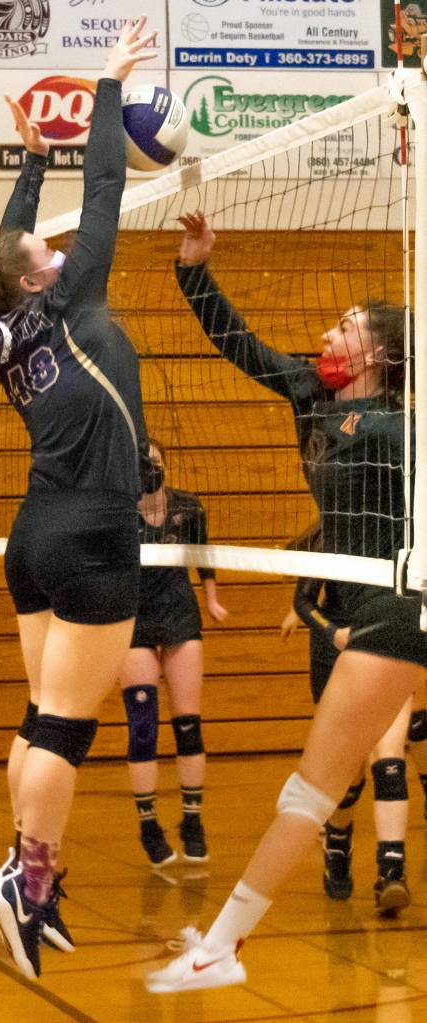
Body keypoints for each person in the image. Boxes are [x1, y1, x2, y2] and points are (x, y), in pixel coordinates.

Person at [145, 211, 426, 993]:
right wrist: (194, 269)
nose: (329, 333)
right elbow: (238, 347)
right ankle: (223, 946)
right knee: (315, 788)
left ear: (381, 351)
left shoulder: (403, 430)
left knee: (311, 785)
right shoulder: (309, 393)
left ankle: (222, 948)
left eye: (345, 326)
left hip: (400, 609)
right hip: (363, 610)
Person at [0, 19, 158, 981]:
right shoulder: (72, 296)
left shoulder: (9, 320)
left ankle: (30, 872)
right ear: (44, 271)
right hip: (92, 533)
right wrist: (108, 86)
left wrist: (31, 164)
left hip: (34, 534)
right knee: (69, 728)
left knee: (42, 714)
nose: (61, 242)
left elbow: (2, 250)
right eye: (48, 242)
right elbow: (108, 185)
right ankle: (25, 885)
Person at [120, 439, 228, 867]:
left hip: (179, 615)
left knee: (188, 725)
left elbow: (203, 557)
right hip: (133, 621)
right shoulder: (117, 510)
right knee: (143, 727)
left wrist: (212, 599)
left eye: (156, 462)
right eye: (144, 464)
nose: (152, 469)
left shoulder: (187, 506)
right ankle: (148, 824)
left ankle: (192, 821)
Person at [282, 577, 412, 912]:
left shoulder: (410, 532)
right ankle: (338, 840)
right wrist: (333, 633)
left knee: (389, 760)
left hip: (393, 640)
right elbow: (304, 601)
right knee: (348, 773)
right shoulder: (336, 532)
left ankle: (391, 873)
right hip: (338, 649)